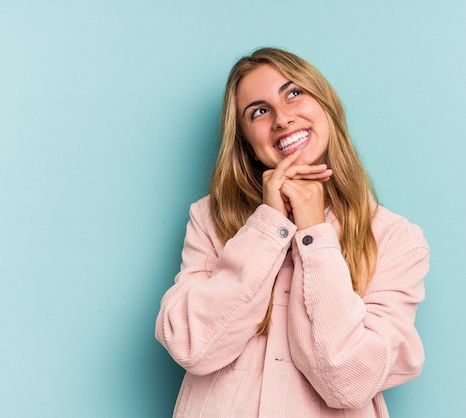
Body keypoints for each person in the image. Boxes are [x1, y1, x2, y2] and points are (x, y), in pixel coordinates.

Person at [155, 47, 430, 417]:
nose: (282, 119)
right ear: (248, 145)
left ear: (326, 106)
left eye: (294, 93)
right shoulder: (209, 219)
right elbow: (193, 346)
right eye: (259, 111)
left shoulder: (395, 239)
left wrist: (315, 233)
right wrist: (269, 224)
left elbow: (349, 381)